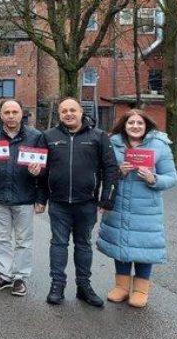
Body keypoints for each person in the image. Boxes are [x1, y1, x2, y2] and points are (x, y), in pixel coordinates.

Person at [39, 97, 119, 308]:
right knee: (58, 244)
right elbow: (41, 170)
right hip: (58, 203)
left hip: (87, 203)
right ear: (59, 114)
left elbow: (111, 168)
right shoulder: (48, 136)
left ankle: (84, 287)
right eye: (64, 110)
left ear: (81, 112)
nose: (68, 114)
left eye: (72, 110)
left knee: (83, 245)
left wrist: (106, 199)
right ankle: (57, 286)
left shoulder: (98, 136)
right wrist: (41, 198)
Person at [97, 109, 177, 308]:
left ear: (146, 125)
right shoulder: (113, 143)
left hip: (146, 208)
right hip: (118, 204)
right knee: (120, 244)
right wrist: (118, 172)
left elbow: (172, 177)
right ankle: (122, 287)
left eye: (139, 123)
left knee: (143, 246)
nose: (135, 126)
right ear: (124, 125)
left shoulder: (159, 145)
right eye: (130, 123)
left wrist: (154, 179)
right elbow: (101, 172)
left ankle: (141, 289)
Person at [0, 100, 44, 297]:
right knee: (1, 239)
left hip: (24, 196)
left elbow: (44, 168)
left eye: (14, 112)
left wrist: (37, 174)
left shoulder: (35, 136)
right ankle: (4, 275)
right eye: (6, 112)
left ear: (21, 114)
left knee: (24, 240)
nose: (10, 116)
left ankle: (20, 277)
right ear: (0, 114)